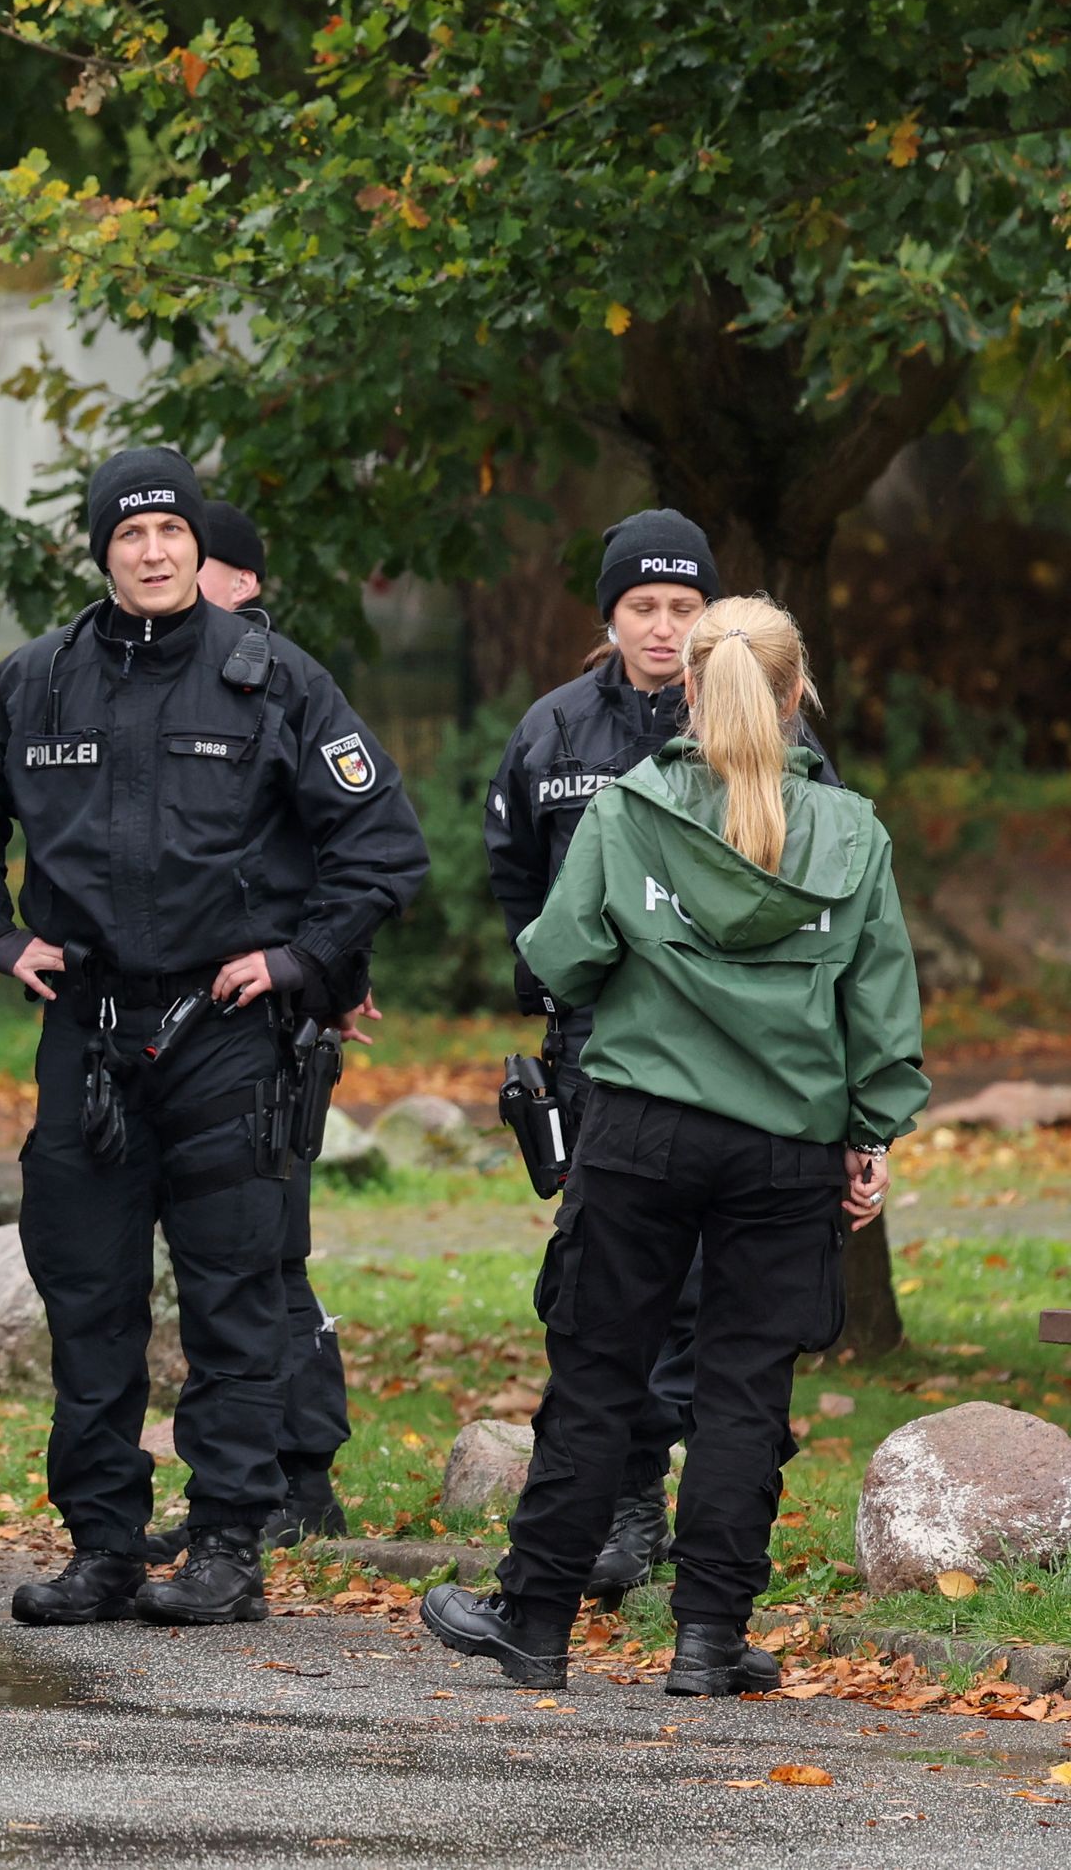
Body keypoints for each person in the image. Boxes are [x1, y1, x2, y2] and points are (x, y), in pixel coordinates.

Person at [0, 450, 430, 1627]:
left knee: (234, 1299)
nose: (152, 549)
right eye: (129, 531)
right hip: (86, 1034)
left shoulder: (277, 680)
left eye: (170, 530)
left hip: (225, 1037)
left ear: (200, 547)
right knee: (87, 1299)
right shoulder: (30, 684)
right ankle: (101, 1545)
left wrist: (299, 960)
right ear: (98, 550)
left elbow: (380, 845)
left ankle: (226, 1547)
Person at [425, 597, 922, 1696]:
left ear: (689, 689)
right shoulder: (851, 831)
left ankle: (537, 1619)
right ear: (797, 695)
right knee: (744, 1388)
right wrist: (868, 1132)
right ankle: (705, 1637)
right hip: (786, 1144)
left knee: (597, 1373)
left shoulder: (630, 809)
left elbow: (559, 956)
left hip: (641, 1127)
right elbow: (881, 1016)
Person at [480, 510, 827, 1603]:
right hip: (599, 1052)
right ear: (610, 614)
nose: (664, 625)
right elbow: (516, 884)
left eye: (684, 606)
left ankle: (707, 1528)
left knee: (716, 1302)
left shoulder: (776, 735)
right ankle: (623, 1506)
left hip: (738, 1062)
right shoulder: (552, 731)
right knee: (601, 1291)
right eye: (643, 605)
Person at [174, 499, 355, 1551]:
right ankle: (279, 1470)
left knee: (268, 1254)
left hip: (271, 1022)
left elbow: (344, 845)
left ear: (237, 579)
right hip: (222, 1020)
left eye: (196, 563)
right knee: (256, 1254)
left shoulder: (275, 681)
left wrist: (328, 974)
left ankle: (304, 1475)